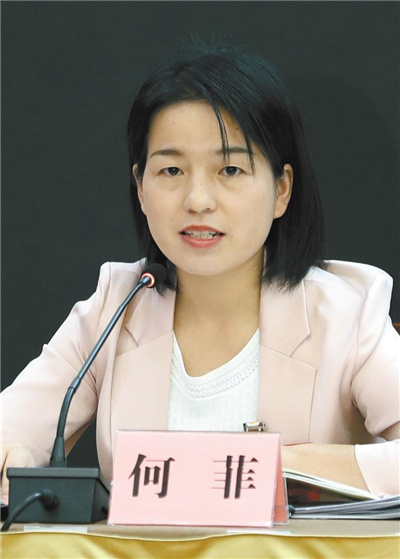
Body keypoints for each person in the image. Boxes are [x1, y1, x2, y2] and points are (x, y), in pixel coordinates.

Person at [1, 45, 399, 504]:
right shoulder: (114, 309)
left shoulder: (347, 316)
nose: (198, 200)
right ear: (141, 188)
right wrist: (14, 454)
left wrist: (271, 466)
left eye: (230, 169)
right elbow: (11, 432)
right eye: (171, 170)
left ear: (281, 190)